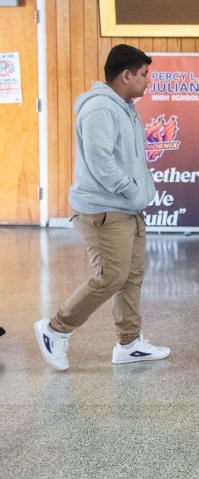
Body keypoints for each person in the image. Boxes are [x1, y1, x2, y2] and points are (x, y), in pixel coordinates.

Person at [35, 44, 169, 371]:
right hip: (104, 211)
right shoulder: (100, 109)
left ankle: (130, 344)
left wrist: (138, 194)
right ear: (126, 75)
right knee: (111, 276)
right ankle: (56, 329)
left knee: (132, 276)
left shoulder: (123, 107)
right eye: (143, 75)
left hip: (127, 209)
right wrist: (133, 192)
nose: (147, 81)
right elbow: (101, 163)